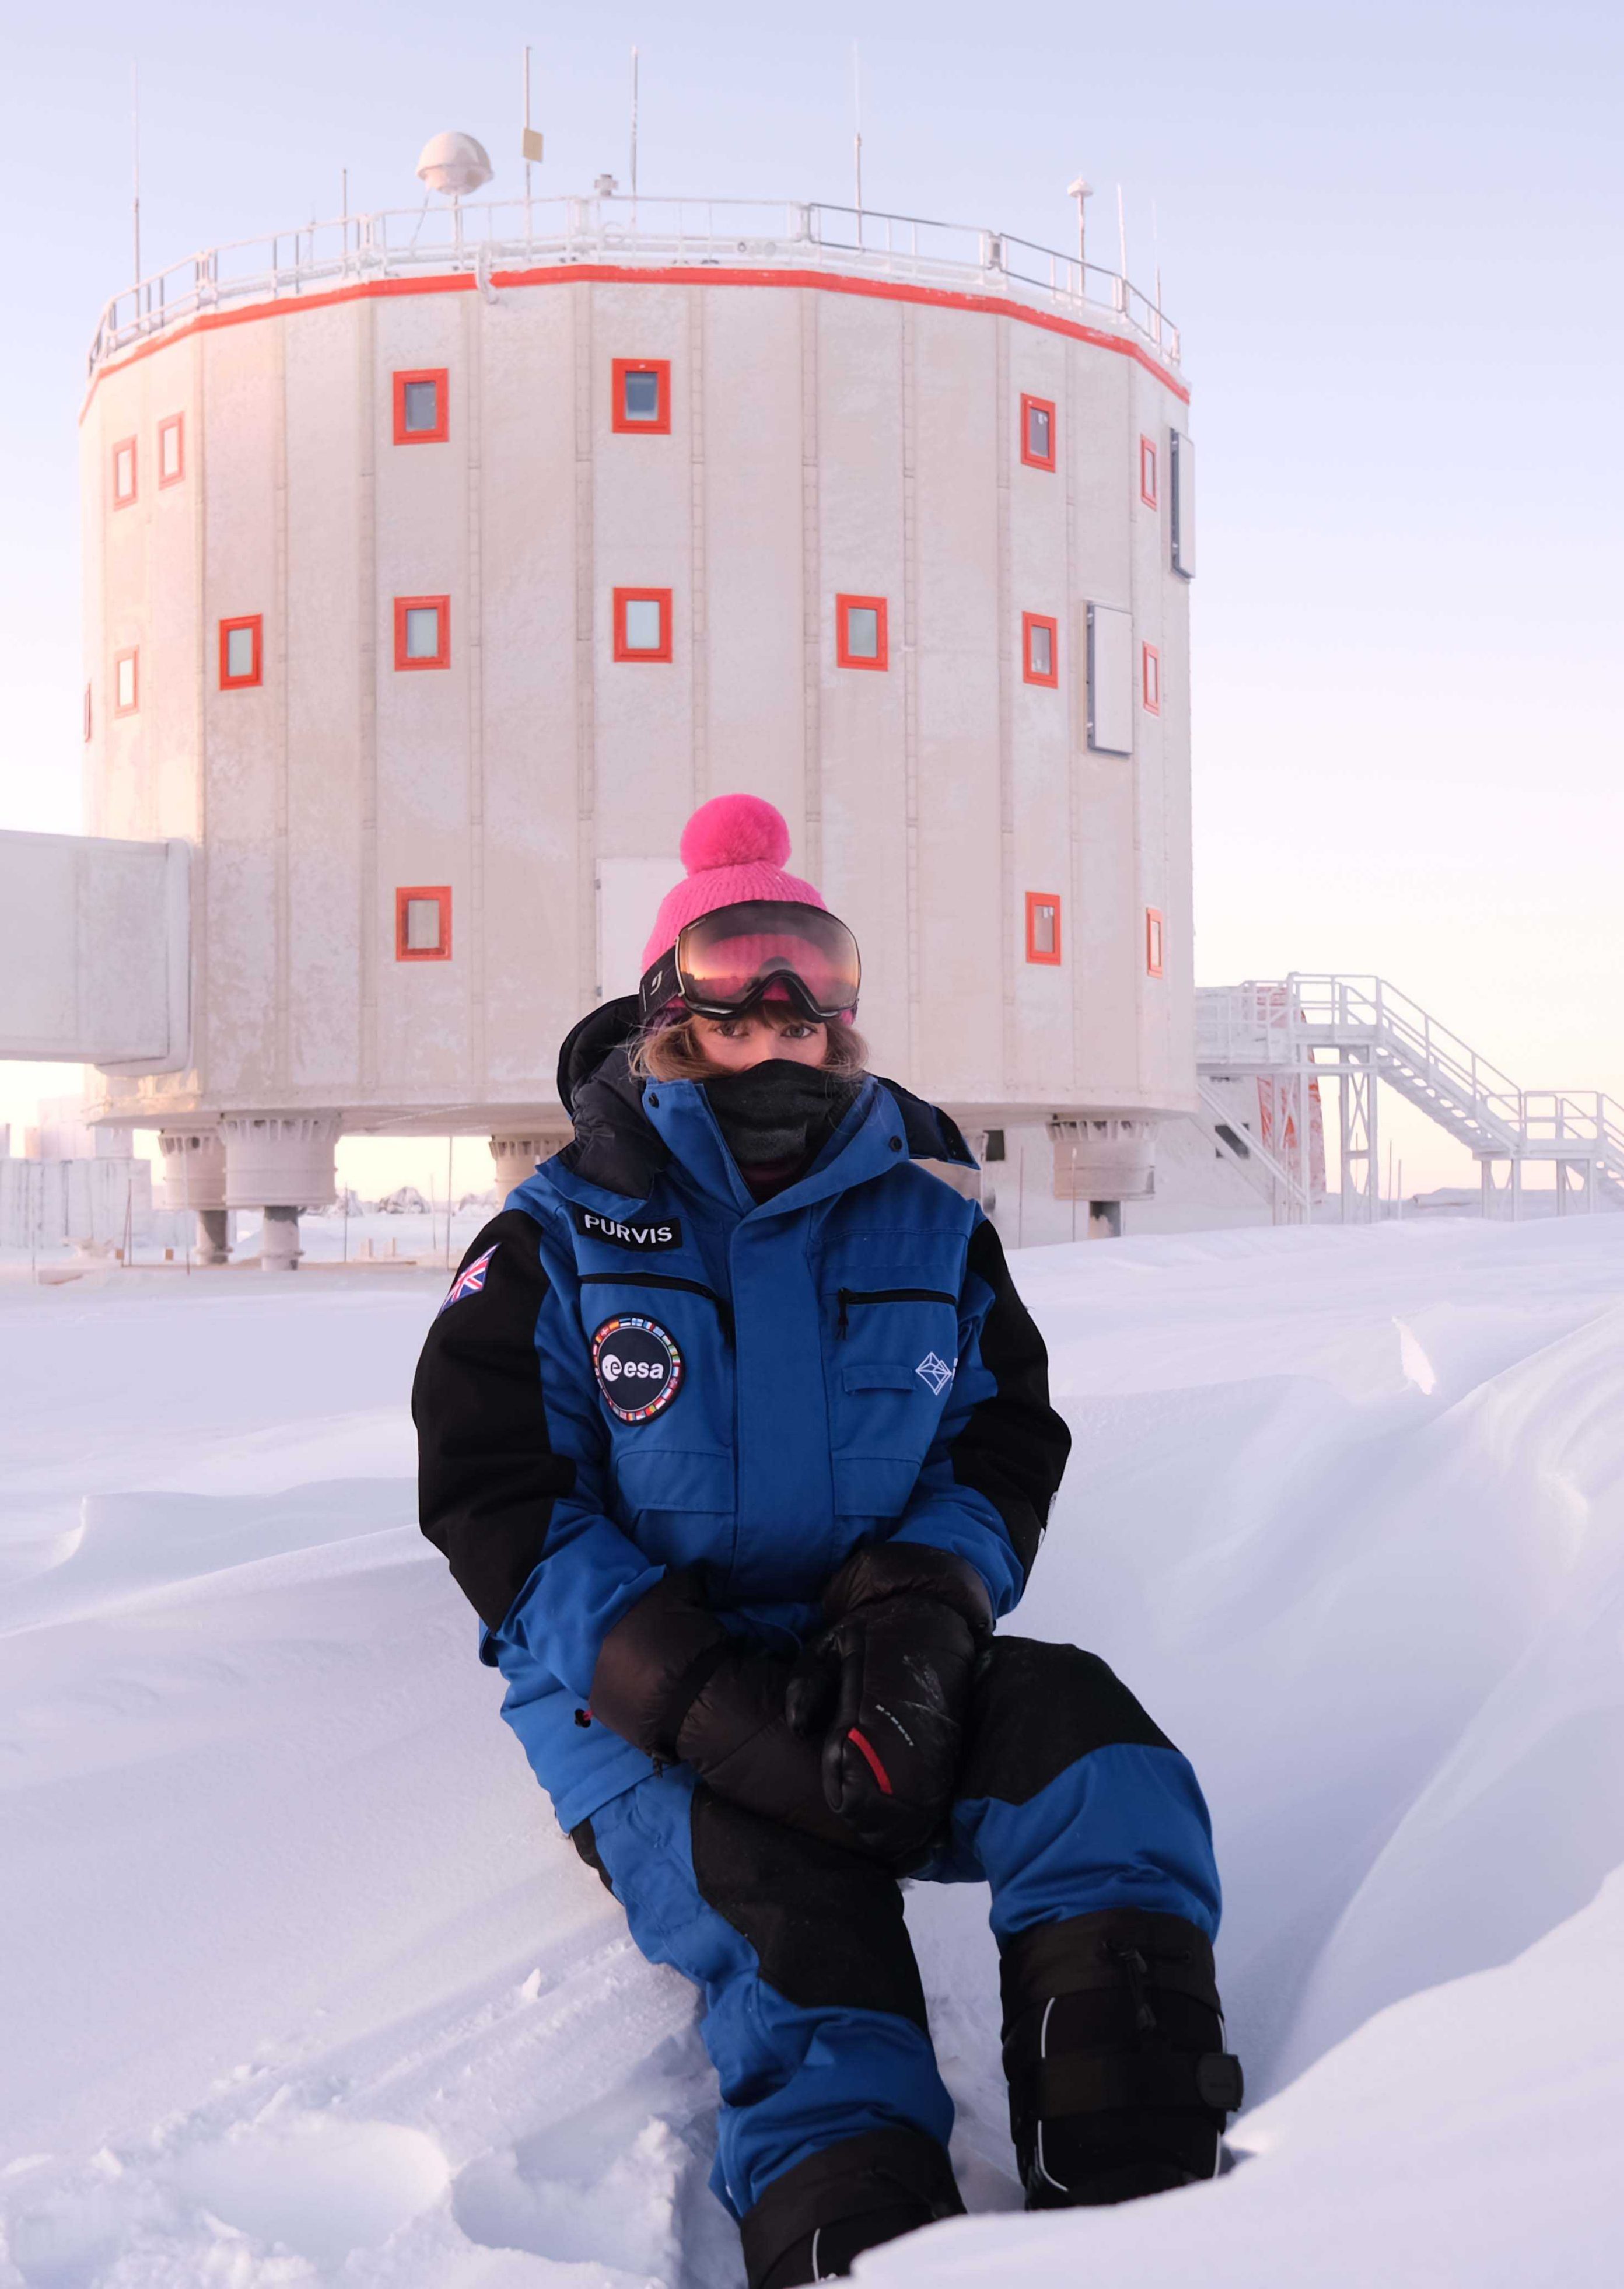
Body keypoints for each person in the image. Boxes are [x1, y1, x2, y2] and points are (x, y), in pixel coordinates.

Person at [414, 794, 1240, 2287]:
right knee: (808, 1943)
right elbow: (497, 1502)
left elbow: (1003, 1437)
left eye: (815, 984)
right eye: (743, 985)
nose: (783, 1020)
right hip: (646, 1700)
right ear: (675, 1008)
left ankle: (1149, 2213)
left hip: (881, 1658)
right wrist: (700, 1699)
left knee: (1098, 1762)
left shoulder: (926, 1218)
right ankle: (861, 2250)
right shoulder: (562, 1233)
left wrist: (921, 1614)